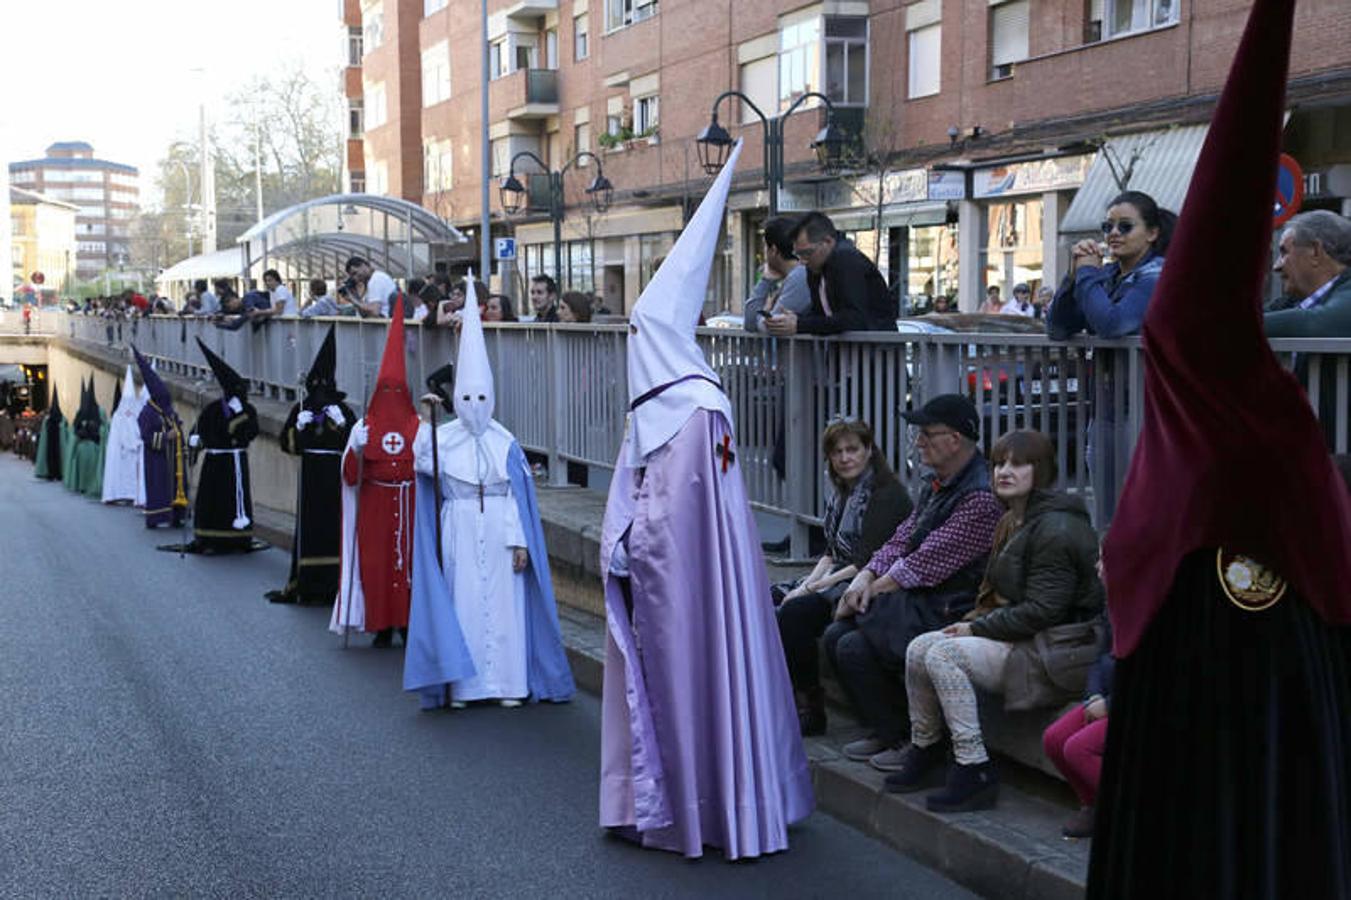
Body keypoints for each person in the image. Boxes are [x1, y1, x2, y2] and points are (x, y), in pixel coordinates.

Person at [1087, 2, 1351, 895]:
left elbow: (1136, 544)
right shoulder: (1244, 410)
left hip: (1228, 658)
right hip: (1231, 663)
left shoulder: (1228, 412)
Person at [599, 141, 813, 860]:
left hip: (680, 584)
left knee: (692, 681)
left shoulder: (692, 409)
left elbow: (669, 514)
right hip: (675, 578)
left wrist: (626, 543)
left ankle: (703, 809)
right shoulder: (669, 405)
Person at [885, 430, 1104, 813]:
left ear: (1042, 470)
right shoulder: (1011, 520)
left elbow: (1044, 611)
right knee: (920, 647)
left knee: (943, 655)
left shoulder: (1057, 528)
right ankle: (928, 748)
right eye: (999, 463)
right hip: (1020, 637)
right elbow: (995, 596)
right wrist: (974, 622)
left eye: (1018, 464)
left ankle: (974, 770)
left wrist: (975, 628)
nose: (1005, 471)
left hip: (1057, 651)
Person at [405, 277, 574, 709]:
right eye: (468, 396)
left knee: (505, 608)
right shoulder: (445, 437)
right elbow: (423, 464)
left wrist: (521, 540)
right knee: (462, 604)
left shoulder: (505, 441)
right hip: (459, 526)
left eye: (483, 396)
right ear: (457, 398)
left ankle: (508, 684)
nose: (476, 404)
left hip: (501, 528)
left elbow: (520, 496)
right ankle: (464, 685)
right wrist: (427, 420)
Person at [829, 394, 1003, 772]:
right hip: (921, 597)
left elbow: (928, 562)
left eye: (927, 433)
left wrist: (867, 591)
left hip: (951, 604)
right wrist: (865, 574)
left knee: (853, 641)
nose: (918, 442)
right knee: (838, 635)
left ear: (954, 440)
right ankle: (888, 730)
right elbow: (902, 538)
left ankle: (918, 739)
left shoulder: (980, 496)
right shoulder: (937, 482)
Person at [776, 417, 912, 735]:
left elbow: (868, 560)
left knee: (795, 613)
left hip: (868, 582)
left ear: (868, 451)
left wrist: (811, 590)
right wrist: (806, 584)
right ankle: (778, 698)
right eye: (837, 452)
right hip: (840, 574)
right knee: (773, 598)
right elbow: (830, 551)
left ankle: (811, 707)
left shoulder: (886, 495)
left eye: (853, 449)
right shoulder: (841, 494)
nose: (845, 458)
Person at [331, 309, 419, 649]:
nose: (391, 396)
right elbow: (350, 478)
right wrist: (357, 449)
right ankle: (380, 624)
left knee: (409, 567)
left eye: (397, 389)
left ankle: (408, 623)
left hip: (409, 504)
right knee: (377, 566)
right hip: (375, 507)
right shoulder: (362, 428)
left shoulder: (419, 429)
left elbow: (429, 470)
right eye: (385, 390)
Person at [268, 327, 356, 605]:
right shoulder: (301, 409)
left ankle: (336, 583)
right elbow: (288, 444)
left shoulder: (344, 412)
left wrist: (344, 425)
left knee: (335, 526)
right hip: (310, 474)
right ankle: (306, 582)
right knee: (310, 527)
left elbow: (355, 446)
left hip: (335, 474)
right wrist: (298, 426)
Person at [1046, 190, 1174, 340]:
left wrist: (1087, 270)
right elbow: (1057, 329)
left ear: (1152, 233)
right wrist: (1072, 276)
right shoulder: (1107, 275)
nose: (1114, 232)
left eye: (1125, 226)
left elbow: (1113, 325)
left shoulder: (1158, 276)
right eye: (1107, 227)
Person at [1043, 611, 1113, 839]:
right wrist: (1093, 696)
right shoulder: (1114, 602)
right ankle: (1092, 804)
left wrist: (1109, 705)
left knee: (1078, 748)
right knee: (1054, 739)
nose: (1101, 573)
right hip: (1103, 694)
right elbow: (1099, 657)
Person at [768, 211, 895, 335]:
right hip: (853, 352)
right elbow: (822, 314)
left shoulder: (845, 259)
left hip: (874, 350)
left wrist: (801, 324)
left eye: (807, 253)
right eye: (798, 254)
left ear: (828, 242)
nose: (802, 261)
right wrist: (796, 319)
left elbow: (853, 318)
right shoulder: (816, 266)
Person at [186, 340, 260, 553]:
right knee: (212, 500)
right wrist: (194, 443)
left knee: (234, 500)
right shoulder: (212, 409)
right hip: (215, 461)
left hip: (235, 460)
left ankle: (238, 538)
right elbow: (199, 431)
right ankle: (210, 538)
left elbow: (251, 432)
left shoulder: (247, 409)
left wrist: (241, 415)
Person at [132, 347, 189, 530]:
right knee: (159, 488)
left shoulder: (167, 410)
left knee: (174, 487)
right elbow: (146, 436)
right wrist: (166, 437)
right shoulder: (147, 414)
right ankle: (156, 517)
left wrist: (179, 430)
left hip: (173, 458)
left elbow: (176, 425)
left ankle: (176, 516)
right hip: (156, 459)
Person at [743, 216, 811, 333]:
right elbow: (749, 324)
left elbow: (768, 326)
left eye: (765, 246)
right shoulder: (794, 275)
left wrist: (766, 312)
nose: (764, 251)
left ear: (774, 250)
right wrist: (766, 281)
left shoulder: (799, 276)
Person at [101, 364, 144, 506]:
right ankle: (119, 493)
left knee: (131, 475)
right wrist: (137, 442)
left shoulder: (135, 414)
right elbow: (126, 438)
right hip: (122, 452)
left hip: (132, 453)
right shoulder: (118, 418)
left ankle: (131, 494)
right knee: (122, 473)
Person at [68, 377, 106, 498]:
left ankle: (86, 486)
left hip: (93, 446)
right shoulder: (83, 412)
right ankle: (83, 485)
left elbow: (102, 428)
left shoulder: (98, 411)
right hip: (86, 446)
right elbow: (76, 428)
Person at [32, 386, 67, 481]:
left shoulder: (50, 419)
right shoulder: (59, 418)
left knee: (53, 456)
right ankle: (55, 473)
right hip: (53, 441)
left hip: (53, 441)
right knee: (54, 455)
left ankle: (53, 473)